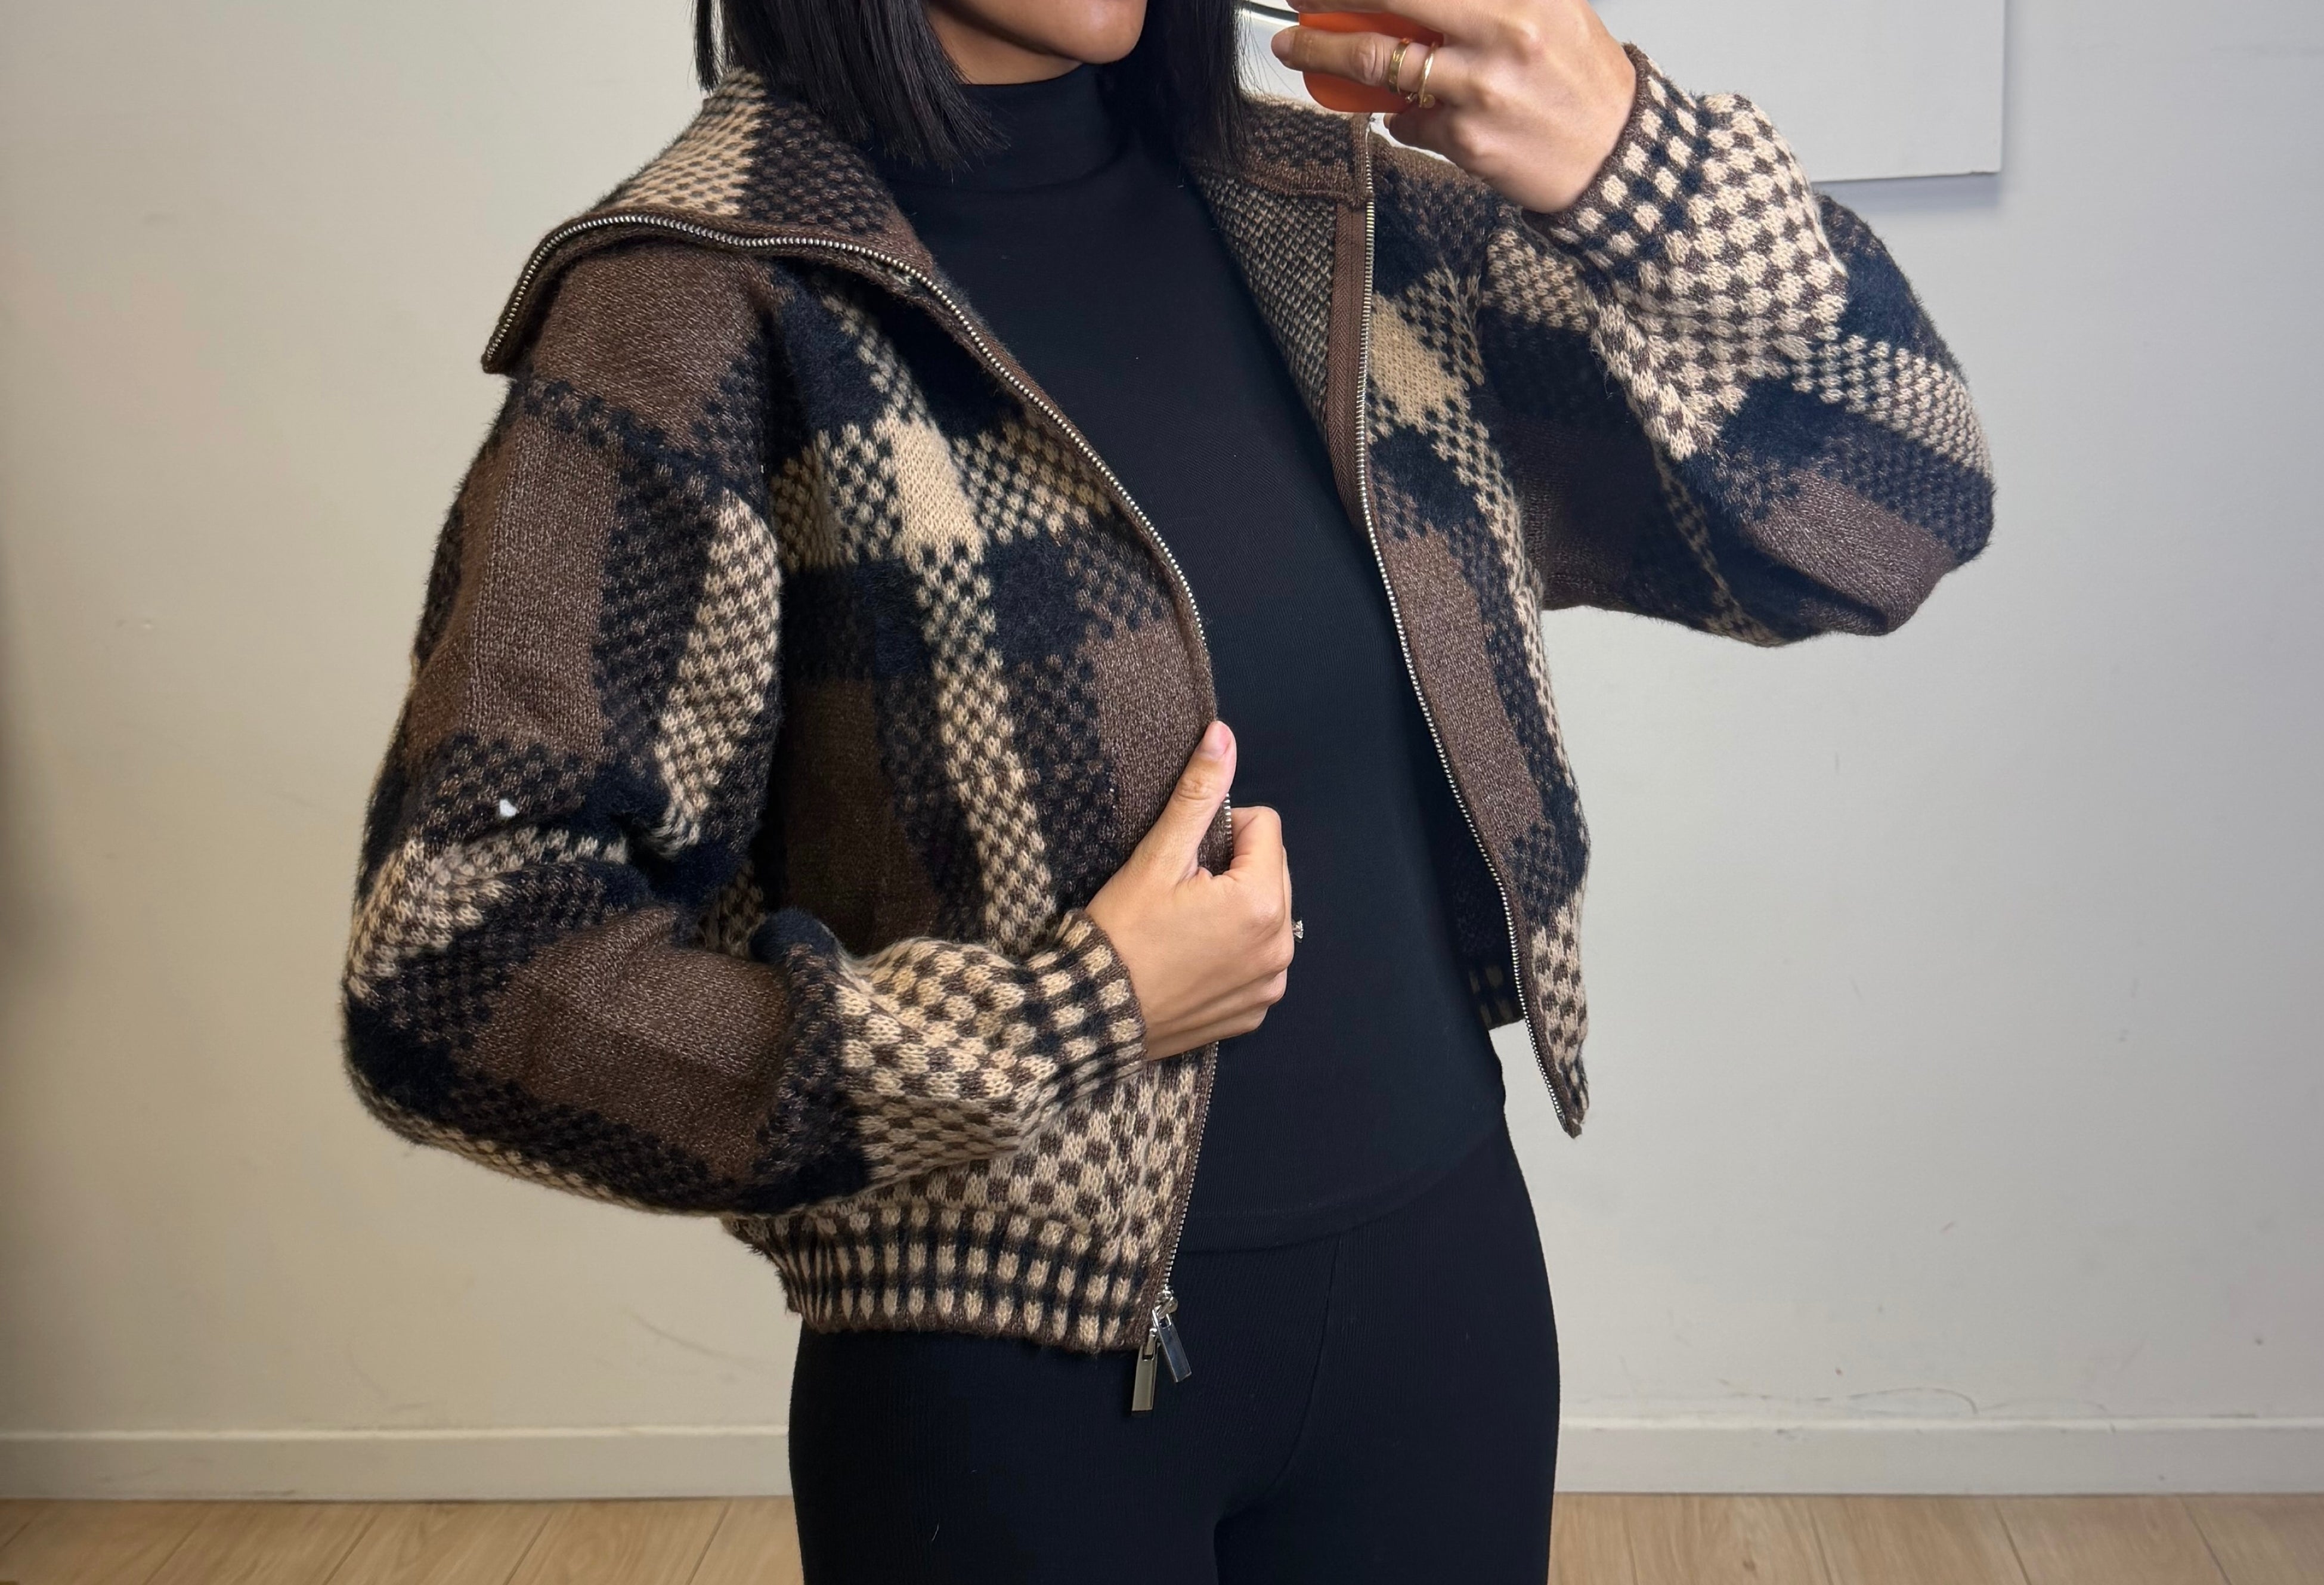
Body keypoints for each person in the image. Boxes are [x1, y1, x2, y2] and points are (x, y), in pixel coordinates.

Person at [338, 0, 1992, 1577]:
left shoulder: (1348, 224)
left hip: (1443, 1308)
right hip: (1001, 1401)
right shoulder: (697, 305)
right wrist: (1071, 1016)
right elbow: (454, 973)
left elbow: (1899, 512)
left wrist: (1637, 168)